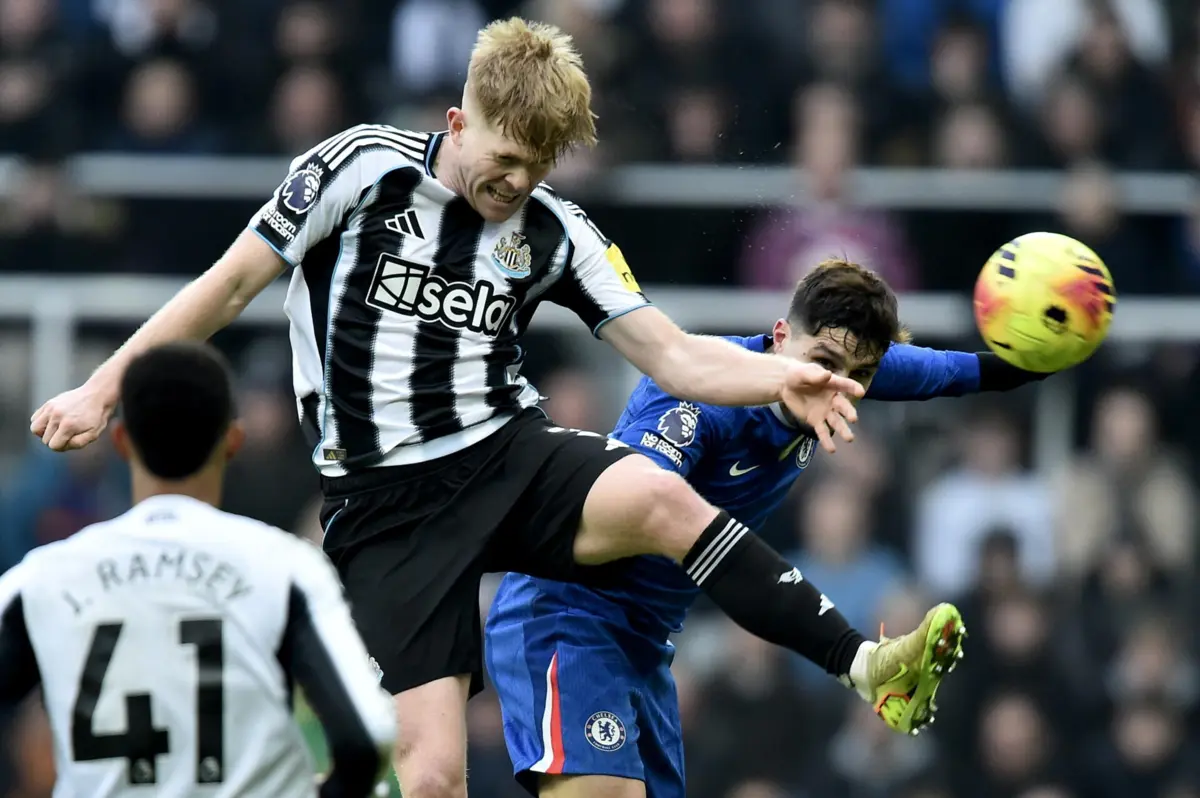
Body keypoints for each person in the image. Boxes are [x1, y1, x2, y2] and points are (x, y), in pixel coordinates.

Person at [32, 18, 926, 798]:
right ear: (460, 122)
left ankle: (863, 663)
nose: (515, 184)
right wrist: (102, 388)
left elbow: (675, 355)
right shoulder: (357, 167)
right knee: (432, 779)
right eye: (504, 160)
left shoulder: (555, 229)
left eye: (536, 168)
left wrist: (779, 379)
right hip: (384, 505)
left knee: (662, 497)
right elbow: (228, 286)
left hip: (504, 455)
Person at [486, 260, 1048, 798]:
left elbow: (960, 372)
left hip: (645, 640)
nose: (836, 386)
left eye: (860, 375)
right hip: (569, 616)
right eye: (823, 363)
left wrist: (1060, 342)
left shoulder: (841, 371)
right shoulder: (701, 395)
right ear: (780, 337)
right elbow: (638, 503)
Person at [0, 342, 395, 796]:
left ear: (122, 442)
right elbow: (367, 737)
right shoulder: (286, 569)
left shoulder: (46, 577)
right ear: (232, 442)